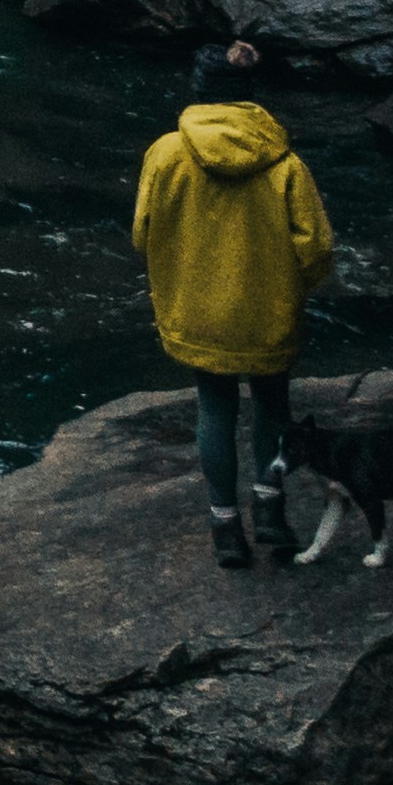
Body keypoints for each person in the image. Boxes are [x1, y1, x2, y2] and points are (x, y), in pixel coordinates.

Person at [132, 37, 334, 569]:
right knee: (272, 406)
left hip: (199, 312)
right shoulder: (285, 163)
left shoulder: (166, 153)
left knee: (215, 409)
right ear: (248, 95)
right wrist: (293, 291)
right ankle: (269, 511)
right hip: (268, 312)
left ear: (198, 94)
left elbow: (142, 233)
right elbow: (316, 247)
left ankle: (226, 529)